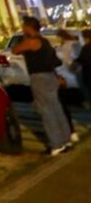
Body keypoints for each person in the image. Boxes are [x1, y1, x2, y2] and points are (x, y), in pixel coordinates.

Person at [11, 16, 71, 155]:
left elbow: (15, 50)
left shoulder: (32, 41)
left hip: (39, 78)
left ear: (28, 27)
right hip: (50, 76)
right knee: (56, 108)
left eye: (24, 26)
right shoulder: (45, 42)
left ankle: (56, 144)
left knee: (46, 111)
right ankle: (65, 139)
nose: (22, 28)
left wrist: (24, 38)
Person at [77, 29, 91, 108]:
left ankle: (88, 101)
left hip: (88, 70)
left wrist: (75, 61)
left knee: (85, 86)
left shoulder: (86, 47)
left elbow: (83, 59)